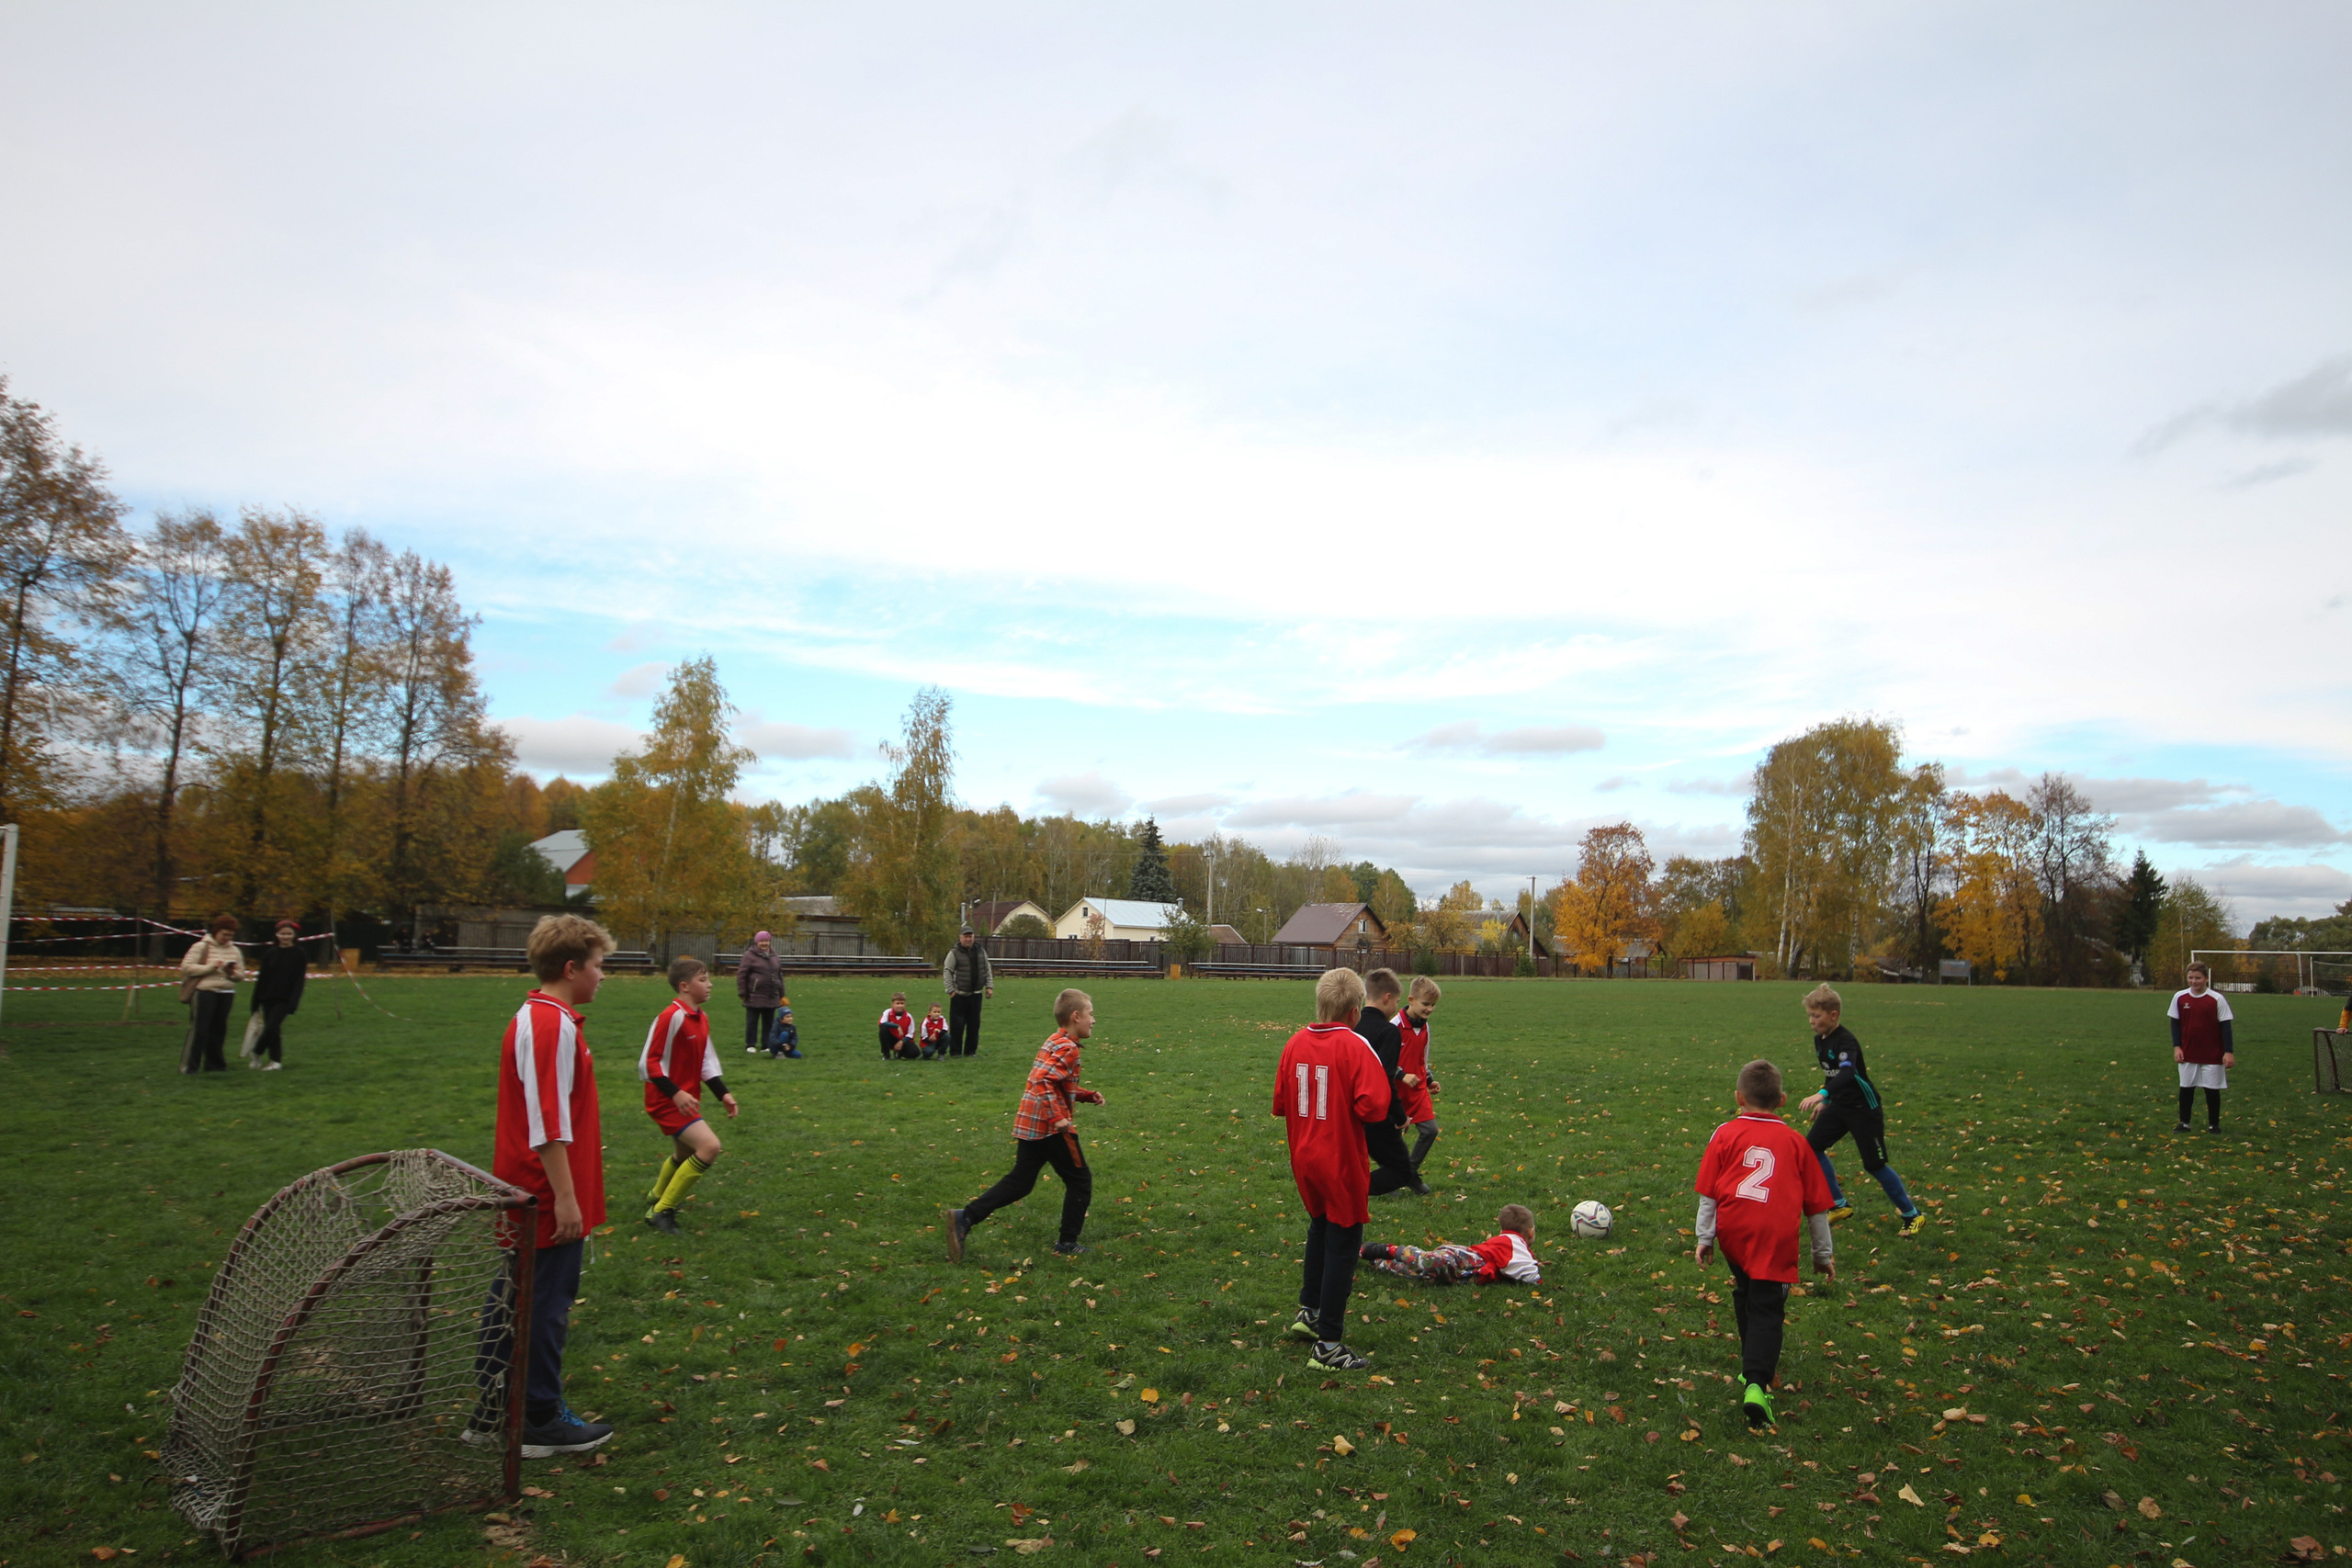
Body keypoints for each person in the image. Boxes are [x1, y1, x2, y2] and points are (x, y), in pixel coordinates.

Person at [469, 914, 616, 1458]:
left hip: (534, 1190)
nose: (603, 976)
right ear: (572, 967)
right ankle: (536, 1416)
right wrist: (567, 1198)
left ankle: (490, 1411)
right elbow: (546, 1123)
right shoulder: (549, 1025)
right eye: (599, 966)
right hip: (543, 1193)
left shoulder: (549, 1018)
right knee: (545, 1304)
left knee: (514, 1295)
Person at [1694, 1058, 1837, 1430]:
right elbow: (1818, 1209)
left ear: (1739, 1097)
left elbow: (1708, 1195)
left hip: (1733, 1231)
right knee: (1768, 1307)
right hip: (1773, 1236)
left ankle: (1749, 1367)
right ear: (1784, 1100)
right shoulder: (1796, 1143)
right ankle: (1757, 1383)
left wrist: (1704, 1238)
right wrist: (1822, 1256)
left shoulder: (1723, 1133)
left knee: (1746, 1290)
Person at [1272, 966, 1390, 1371]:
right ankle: (1329, 1345)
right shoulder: (1356, 1047)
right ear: (1356, 1012)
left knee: (1320, 1227)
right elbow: (1373, 1108)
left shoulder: (1293, 1044)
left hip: (1304, 1157)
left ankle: (1309, 1312)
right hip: (1339, 1160)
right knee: (1344, 1244)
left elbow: (1282, 1103)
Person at [942, 987, 1106, 1259]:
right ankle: (1067, 1242)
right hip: (1050, 1127)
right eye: (1091, 1014)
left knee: (1021, 1182)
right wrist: (1059, 1118)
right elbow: (1043, 1080)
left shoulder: (1054, 1040)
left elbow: (1050, 1080)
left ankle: (965, 1218)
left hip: (1031, 1121)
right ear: (1076, 1016)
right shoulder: (1068, 1049)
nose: (1094, 1020)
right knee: (1080, 1180)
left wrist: (1085, 1096)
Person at [1796, 984, 1924, 1236]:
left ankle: (1912, 1215)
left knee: (1874, 1165)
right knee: (1811, 1149)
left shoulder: (1846, 1040)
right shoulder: (1819, 1040)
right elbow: (1831, 1075)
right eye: (1809, 1015)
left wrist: (1822, 1094)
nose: (1811, 1021)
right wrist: (1827, 1102)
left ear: (1833, 1015)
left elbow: (1847, 1073)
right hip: (1840, 1106)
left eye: (1816, 1016)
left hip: (1864, 1110)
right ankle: (1839, 1206)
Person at [639, 956, 738, 1235]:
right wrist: (675, 1093)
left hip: (684, 1099)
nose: (710, 984)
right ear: (684, 986)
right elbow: (649, 1063)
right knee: (709, 1147)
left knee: (684, 1153)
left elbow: (706, 1061)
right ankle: (661, 1210)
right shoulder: (671, 1017)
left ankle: (656, 1195)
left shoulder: (700, 1018)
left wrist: (724, 1095)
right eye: (703, 980)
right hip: (665, 1100)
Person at [1356, 968, 1427, 1197]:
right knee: (1401, 1170)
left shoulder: (1351, 1025)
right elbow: (1384, 1077)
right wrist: (1400, 1117)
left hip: (1347, 1109)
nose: (1396, 1007)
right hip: (1376, 1114)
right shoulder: (1389, 1032)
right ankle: (1351, 1189)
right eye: (1396, 1001)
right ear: (1387, 998)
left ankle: (1347, 1186)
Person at [1360, 1203, 1541, 1285]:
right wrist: (1538, 1280)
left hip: (1467, 1273)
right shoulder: (1514, 1243)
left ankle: (1375, 1260)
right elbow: (1529, 1274)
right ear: (1530, 1232)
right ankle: (1385, 1250)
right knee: (1431, 1262)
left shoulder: (1510, 1242)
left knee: (1420, 1274)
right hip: (1465, 1259)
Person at [2169, 960, 2235, 1134]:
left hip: (2212, 1052)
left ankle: (2214, 1124)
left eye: (2197, 978)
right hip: (2188, 1051)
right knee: (2186, 1087)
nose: (2194, 981)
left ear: (2206, 978)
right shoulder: (2179, 997)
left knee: (2212, 1089)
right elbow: (2175, 1023)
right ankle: (2184, 1123)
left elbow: (2226, 1027)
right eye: (2190, 978)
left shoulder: (2217, 999)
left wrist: (2228, 1052)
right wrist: (2177, 1047)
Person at [178, 914, 243, 1074]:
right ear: (216, 931)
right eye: (224, 934)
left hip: (226, 992)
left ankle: (215, 1065)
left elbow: (241, 975)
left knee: (219, 1029)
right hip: (204, 991)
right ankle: (189, 1066)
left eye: (230, 935)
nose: (226, 938)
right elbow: (186, 967)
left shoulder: (234, 950)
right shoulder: (201, 947)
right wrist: (209, 968)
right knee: (200, 1029)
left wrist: (231, 973)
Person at [242, 919, 309, 1071]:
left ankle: (257, 1051)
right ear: (277, 935)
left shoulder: (299, 954)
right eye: (282, 934)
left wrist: (294, 1001)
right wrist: (256, 1001)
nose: (285, 937)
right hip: (267, 997)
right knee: (274, 1030)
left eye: (288, 934)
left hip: (285, 998)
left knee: (272, 1026)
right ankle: (275, 1061)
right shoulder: (270, 953)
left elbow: (299, 979)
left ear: (294, 935)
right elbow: (262, 978)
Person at [1397, 975, 1443, 1171]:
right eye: (1426, 1004)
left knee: (1431, 1130)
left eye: (1433, 1005)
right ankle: (1393, 1175)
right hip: (1396, 1092)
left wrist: (1429, 1079)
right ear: (1411, 1000)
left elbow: (1422, 1060)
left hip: (1417, 1090)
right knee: (1394, 1140)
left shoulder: (1425, 1027)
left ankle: (1409, 1171)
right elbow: (1382, 1061)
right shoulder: (1394, 1026)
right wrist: (1400, 1076)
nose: (1430, 1009)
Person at [941, 924, 994, 1058]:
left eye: (970, 936)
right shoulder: (954, 953)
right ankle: (955, 1051)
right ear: (960, 938)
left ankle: (971, 1051)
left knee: (974, 1025)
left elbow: (987, 969)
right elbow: (947, 971)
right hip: (959, 995)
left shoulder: (981, 951)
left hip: (976, 995)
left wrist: (989, 986)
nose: (968, 939)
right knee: (957, 1025)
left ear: (974, 937)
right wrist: (951, 990)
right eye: (965, 936)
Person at [736, 931, 786, 1055]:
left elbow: (779, 975)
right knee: (752, 1022)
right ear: (756, 942)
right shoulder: (749, 955)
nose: (764, 943)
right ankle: (750, 1044)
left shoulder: (775, 956)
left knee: (769, 1022)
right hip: (754, 995)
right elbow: (742, 974)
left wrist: (782, 994)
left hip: (771, 994)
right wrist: (742, 992)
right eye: (761, 941)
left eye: (766, 941)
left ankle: (766, 1044)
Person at [877, 993, 917, 1060]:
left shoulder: (909, 1016)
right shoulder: (887, 1012)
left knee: (915, 1053)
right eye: (897, 1003)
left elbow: (911, 1033)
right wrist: (896, 1026)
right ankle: (886, 1054)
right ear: (892, 1004)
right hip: (891, 1038)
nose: (900, 1006)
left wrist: (902, 1041)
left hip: (902, 1039)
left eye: (902, 1003)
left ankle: (898, 1053)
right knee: (883, 1029)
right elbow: (882, 1022)